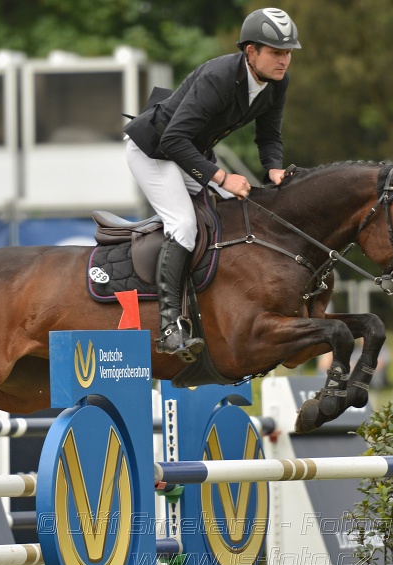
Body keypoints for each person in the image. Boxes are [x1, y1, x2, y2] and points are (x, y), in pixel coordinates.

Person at [123, 8, 300, 362]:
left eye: (288, 52)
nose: (285, 60)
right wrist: (221, 176)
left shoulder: (277, 83)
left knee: (237, 210)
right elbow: (172, 140)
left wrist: (275, 169)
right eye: (276, 52)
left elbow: (269, 136)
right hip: (154, 150)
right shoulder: (219, 77)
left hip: (188, 152)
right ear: (251, 52)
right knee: (185, 225)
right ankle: (170, 327)